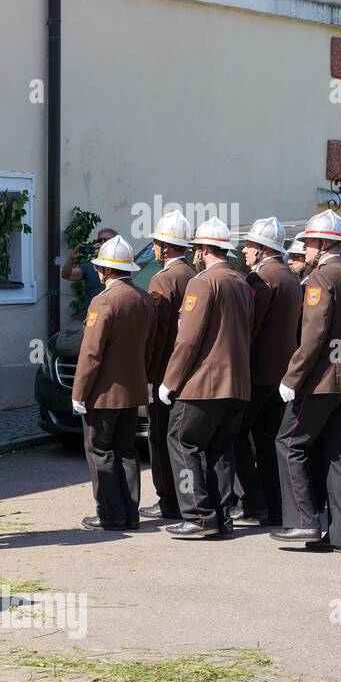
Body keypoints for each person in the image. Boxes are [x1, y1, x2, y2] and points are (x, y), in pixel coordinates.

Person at [271, 210, 341, 553]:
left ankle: (303, 522)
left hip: (323, 381)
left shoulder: (320, 279)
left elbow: (314, 336)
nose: (306, 249)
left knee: (288, 443)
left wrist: (292, 377)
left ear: (325, 243)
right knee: (340, 455)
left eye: (310, 243)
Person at [157, 216, 254, 539]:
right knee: (220, 451)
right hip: (237, 383)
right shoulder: (241, 280)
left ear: (201, 249)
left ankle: (198, 515)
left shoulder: (203, 282)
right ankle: (221, 517)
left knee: (182, 442)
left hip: (203, 385)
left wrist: (170, 381)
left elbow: (188, 338)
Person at [69, 236, 157, 530]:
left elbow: (91, 353)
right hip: (132, 390)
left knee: (100, 452)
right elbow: (149, 346)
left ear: (104, 270)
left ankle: (110, 513)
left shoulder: (103, 301)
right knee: (126, 452)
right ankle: (129, 513)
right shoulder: (144, 298)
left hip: (103, 393)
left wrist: (79, 392)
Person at [227, 217, 301, 526]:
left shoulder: (260, 279)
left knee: (234, 437)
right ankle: (274, 504)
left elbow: (249, 327)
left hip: (256, 373)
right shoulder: (290, 277)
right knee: (269, 441)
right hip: (281, 373)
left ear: (261, 249)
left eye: (249, 246)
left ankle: (254, 501)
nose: (244, 251)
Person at [140, 210, 196, 522]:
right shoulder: (193, 275)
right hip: (189, 373)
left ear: (165, 247)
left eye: (157, 243)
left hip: (164, 371)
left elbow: (156, 332)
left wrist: (149, 374)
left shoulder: (163, 279)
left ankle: (168, 500)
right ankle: (184, 496)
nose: (154, 248)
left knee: (160, 438)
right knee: (183, 440)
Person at [60, 227, 114, 307]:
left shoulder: (123, 265)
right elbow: (67, 275)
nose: (102, 243)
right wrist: (71, 258)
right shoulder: (89, 266)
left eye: (106, 240)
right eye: (100, 240)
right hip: (94, 312)